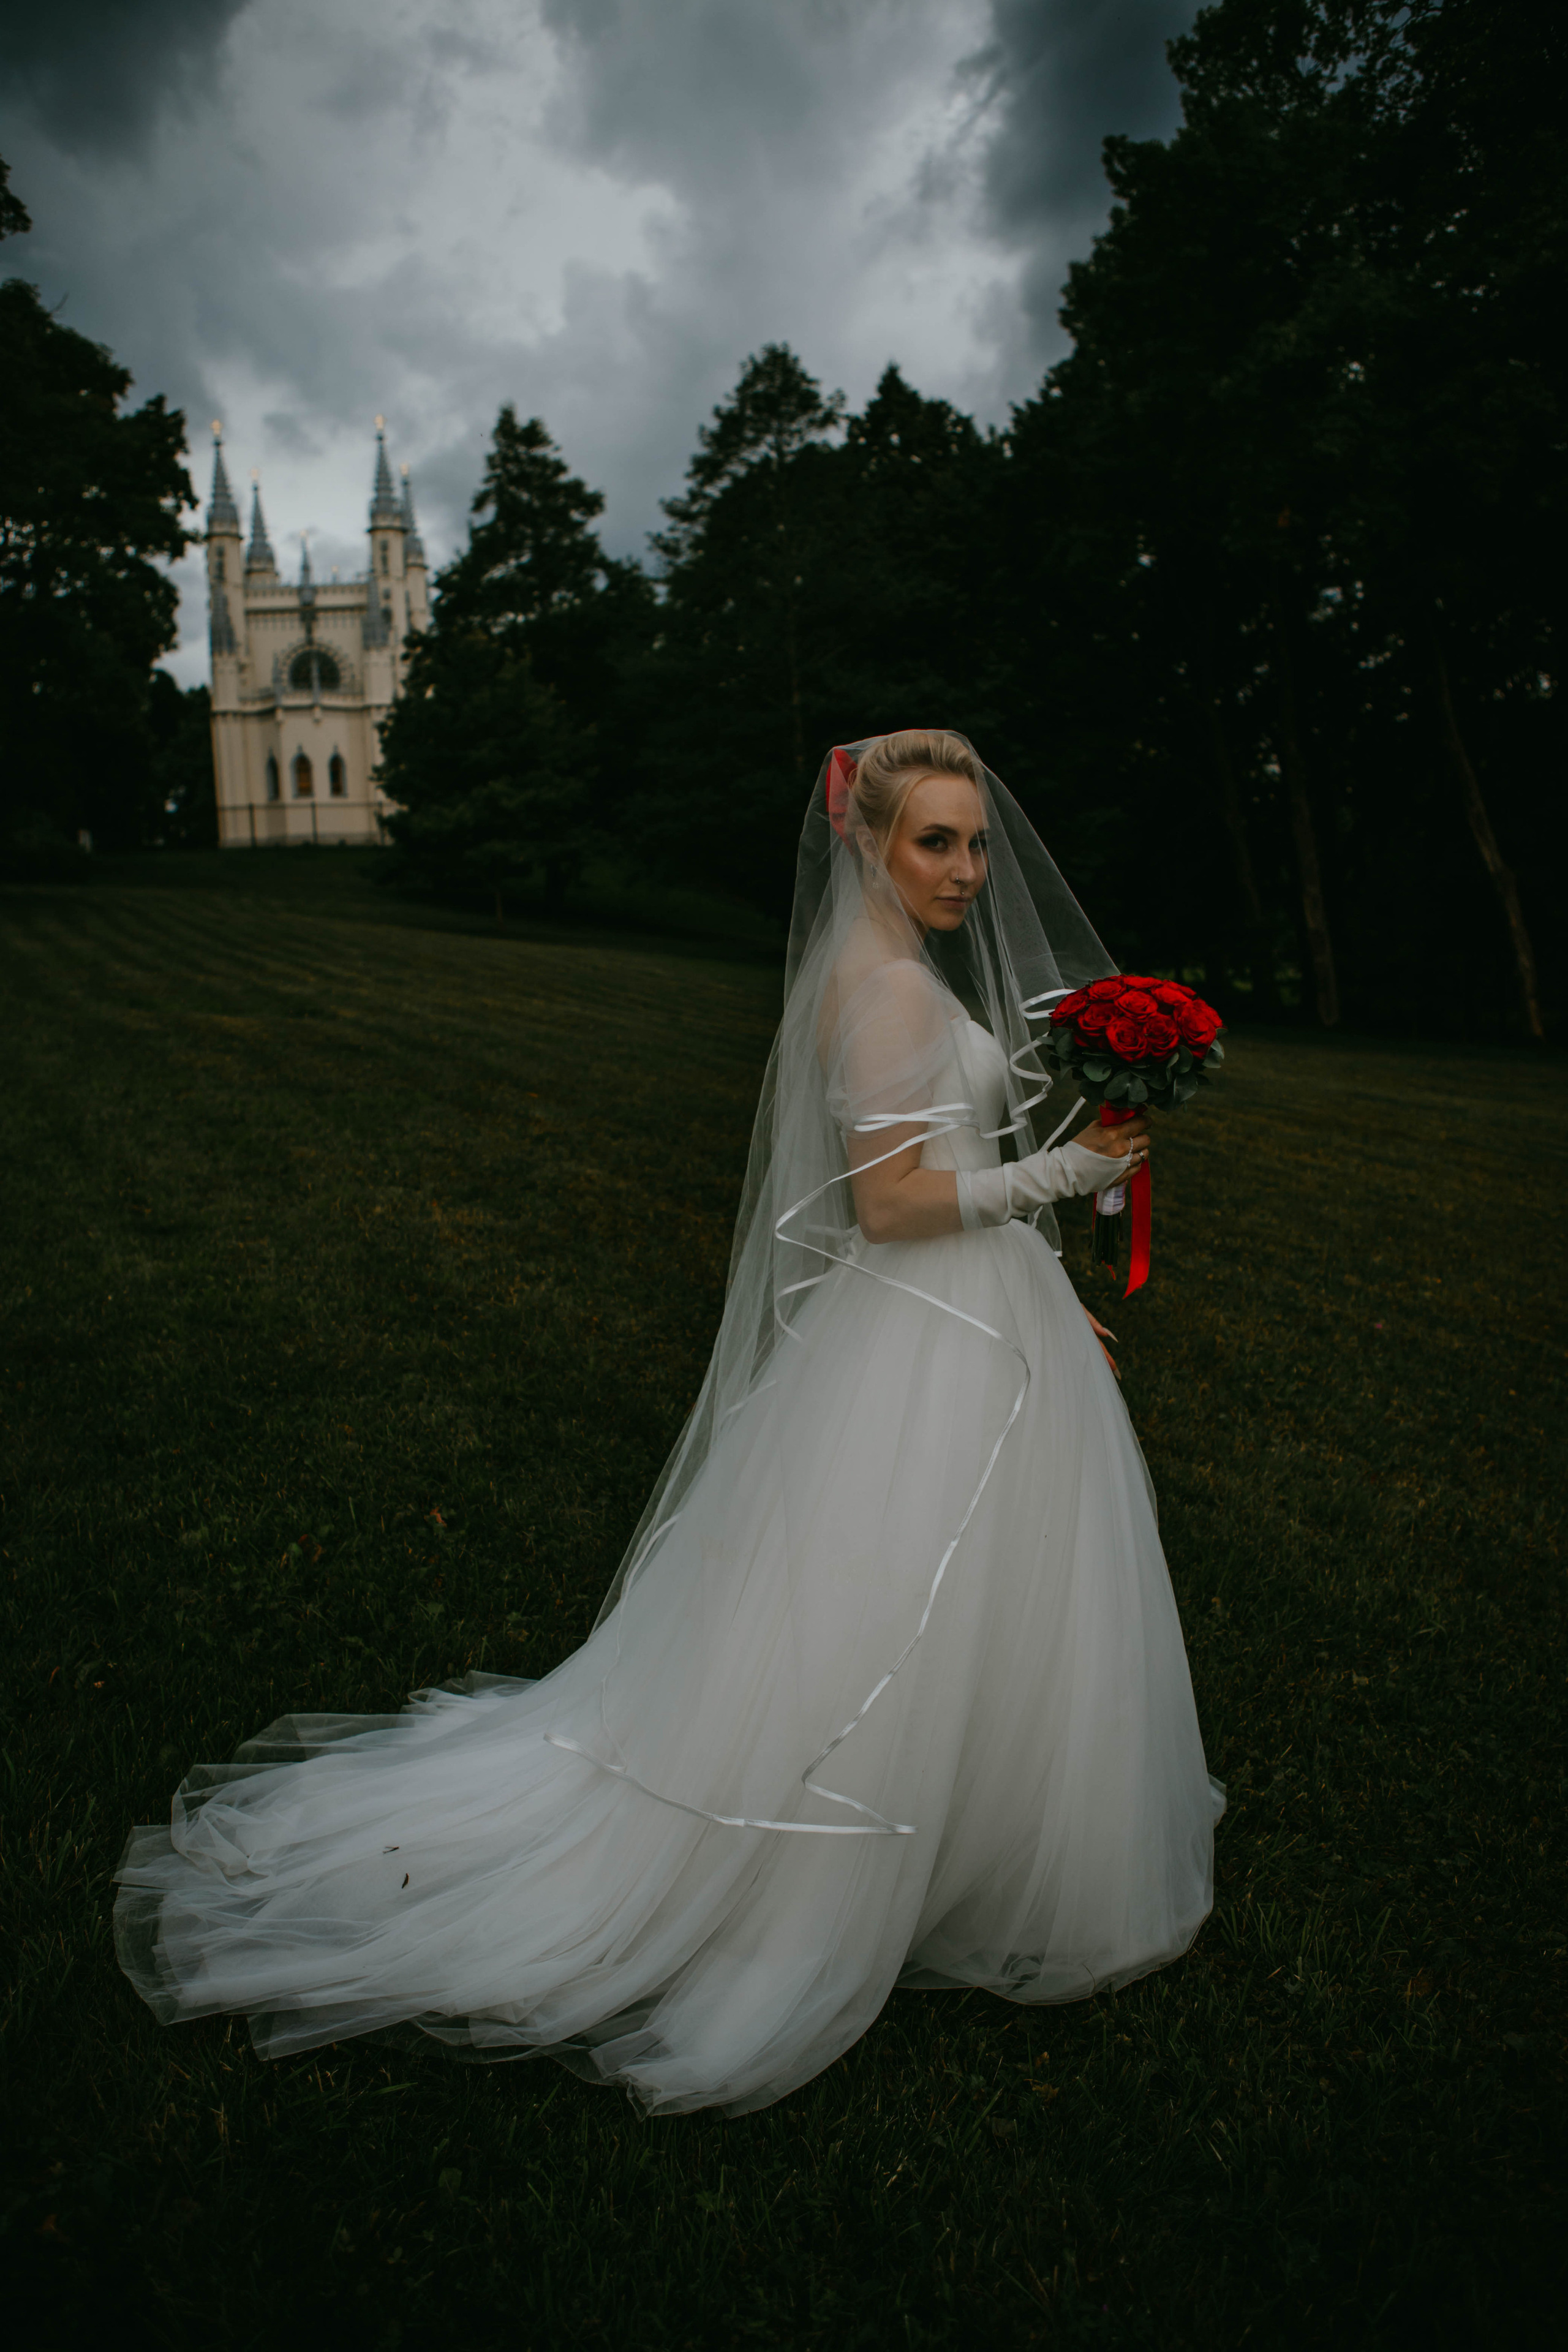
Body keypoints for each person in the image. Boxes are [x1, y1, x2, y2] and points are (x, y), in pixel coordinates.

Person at [115, 729, 1224, 2117]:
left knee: (981, 1605)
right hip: (920, 1325)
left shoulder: (897, 978)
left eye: (974, 841)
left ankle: (970, 1844)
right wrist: (1064, 1171)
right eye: (932, 841)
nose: (964, 868)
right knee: (894, 1611)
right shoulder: (880, 994)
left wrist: (1052, 1289)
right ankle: (829, 1875)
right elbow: (890, 1211)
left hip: (969, 1313)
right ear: (868, 845)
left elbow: (932, 1176)